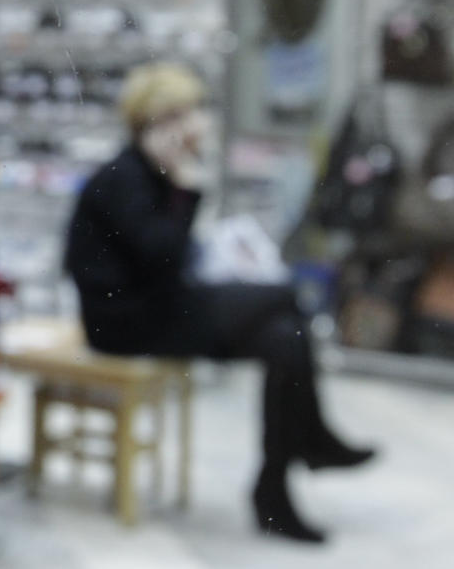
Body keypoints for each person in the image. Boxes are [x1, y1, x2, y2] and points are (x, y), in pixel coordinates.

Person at [64, 62, 374, 543]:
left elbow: (172, 259)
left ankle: (275, 487)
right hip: (125, 323)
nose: (195, 124)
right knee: (288, 297)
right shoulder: (125, 177)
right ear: (156, 122)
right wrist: (187, 187)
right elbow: (162, 256)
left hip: (161, 309)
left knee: (285, 338)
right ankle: (310, 446)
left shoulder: (149, 174)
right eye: (183, 114)